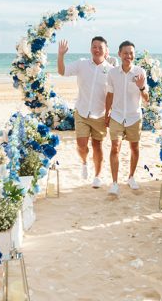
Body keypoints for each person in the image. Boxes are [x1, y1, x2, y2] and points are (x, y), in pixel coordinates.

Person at [57, 37, 113, 187]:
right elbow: (62, 71)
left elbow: (112, 95)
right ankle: (84, 162)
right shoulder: (82, 64)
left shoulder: (111, 70)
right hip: (82, 111)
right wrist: (61, 55)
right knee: (82, 145)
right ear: (90, 49)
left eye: (100, 47)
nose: (97, 49)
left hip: (100, 115)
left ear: (106, 50)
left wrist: (109, 113)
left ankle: (97, 176)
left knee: (97, 146)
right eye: (94, 47)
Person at [104, 41, 149, 196]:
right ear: (119, 54)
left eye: (131, 53)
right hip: (116, 115)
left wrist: (142, 87)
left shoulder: (140, 72)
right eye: (125, 53)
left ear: (134, 55)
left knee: (134, 148)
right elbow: (109, 95)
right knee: (115, 147)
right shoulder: (112, 73)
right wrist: (106, 113)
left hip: (134, 116)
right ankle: (115, 183)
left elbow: (146, 99)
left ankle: (131, 177)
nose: (128, 56)